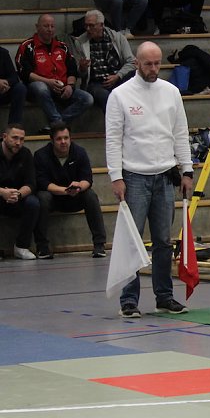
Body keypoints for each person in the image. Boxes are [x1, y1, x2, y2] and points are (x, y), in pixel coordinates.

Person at [105, 41, 194, 317]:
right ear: (137, 64)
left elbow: (181, 132)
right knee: (132, 240)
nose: (154, 68)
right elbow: (113, 140)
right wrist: (115, 177)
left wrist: (187, 170)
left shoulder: (171, 92)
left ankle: (164, 296)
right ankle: (129, 300)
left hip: (165, 175)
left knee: (163, 241)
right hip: (134, 177)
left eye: (157, 63)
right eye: (148, 64)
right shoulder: (120, 95)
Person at [33, 125, 107, 259]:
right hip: (53, 198)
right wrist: (64, 191)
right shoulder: (40, 155)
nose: (63, 142)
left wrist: (79, 186)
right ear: (52, 140)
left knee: (90, 195)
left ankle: (99, 245)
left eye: (66, 138)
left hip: (75, 197)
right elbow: (42, 182)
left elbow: (87, 179)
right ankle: (42, 247)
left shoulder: (80, 152)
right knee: (42, 197)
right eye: (59, 139)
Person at [15, 14, 94, 133]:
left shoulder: (62, 47)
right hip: (37, 89)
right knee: (40, 87)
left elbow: (72, 70)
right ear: (37, 27)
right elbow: (25, 73)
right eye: (46, 26)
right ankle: (58, 124)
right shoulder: (27, 46)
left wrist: (70, 86)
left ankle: (53, 126)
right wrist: (48, 82)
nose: (50, 29)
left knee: (88, 98)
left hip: (62, 87)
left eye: (52, 26)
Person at [71, 9, 136, 112]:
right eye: (86, 25)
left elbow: (132, 62)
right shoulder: (80, 42)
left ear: (101, 25)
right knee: (106, 97)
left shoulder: (118, 38)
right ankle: (116, 125)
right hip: (96, 83)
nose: (88, 29)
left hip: (117, 78)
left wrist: (118, 76)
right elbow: (80, 74)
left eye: (91, 25)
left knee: (136, 74)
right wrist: (82, 68)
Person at [0, 124, 39, 259]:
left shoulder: (26, 153)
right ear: (4, 137)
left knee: (33, 203)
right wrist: (2, 193)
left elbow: (31, 183)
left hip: (17, 197)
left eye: (22, 139)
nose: (18, 143)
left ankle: (21, 246)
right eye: (14, 138)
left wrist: (18, 194)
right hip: (0, 196)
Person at [0, 46, 26, 126]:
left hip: (3, 91)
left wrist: (6, 82)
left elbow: (14, 77)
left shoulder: (3, 52)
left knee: (20, 88)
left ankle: (14, 127)